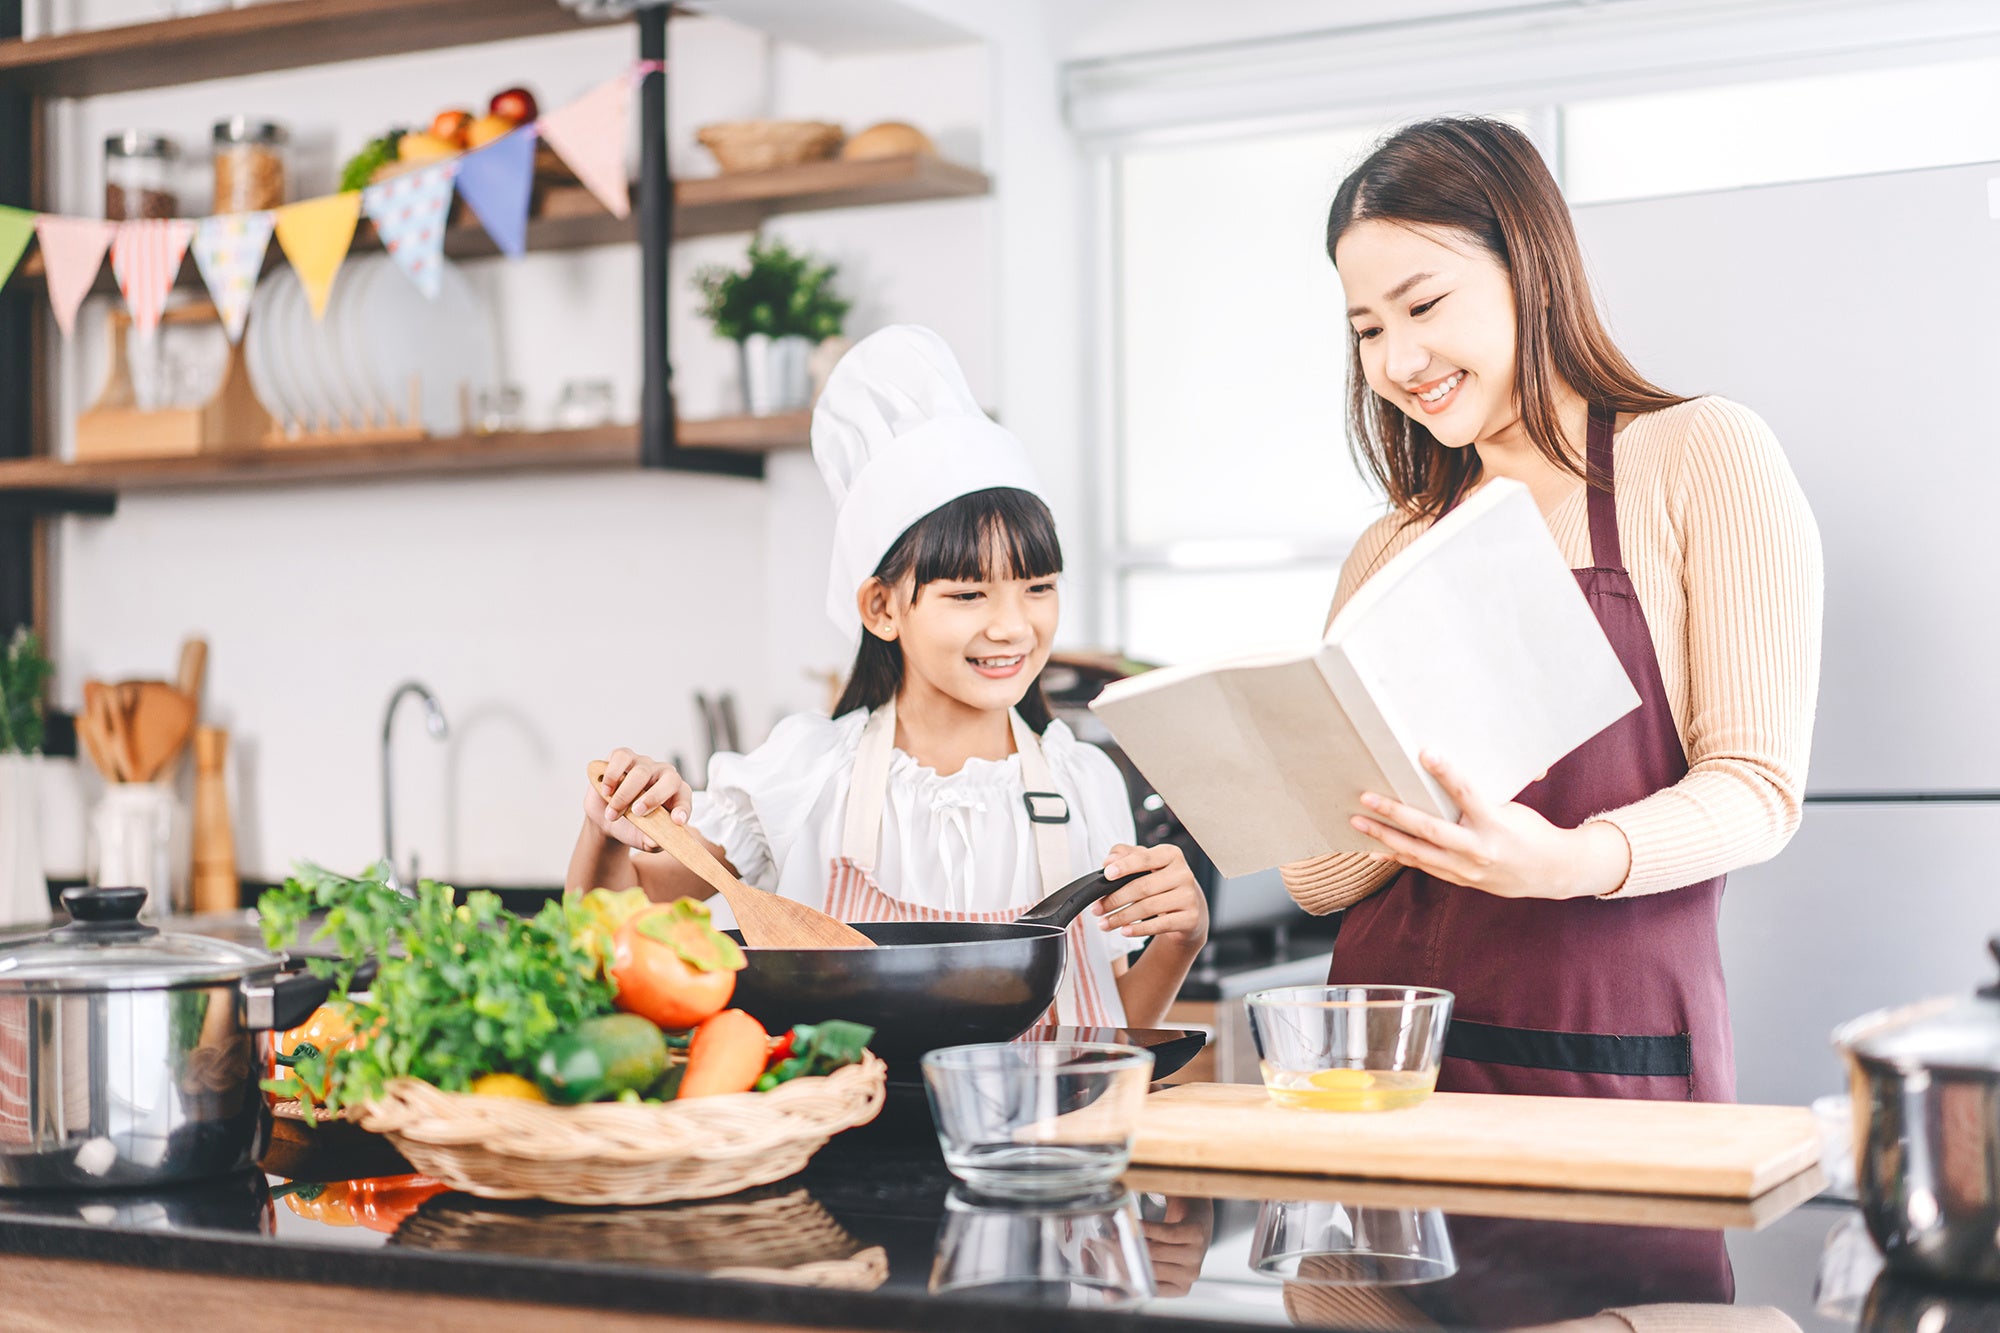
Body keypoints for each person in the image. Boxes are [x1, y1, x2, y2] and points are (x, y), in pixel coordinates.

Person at [1283, 117, 1823, 1101]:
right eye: (1366, 328)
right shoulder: (1389, 546)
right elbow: (1314, 881)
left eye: (1423, 304)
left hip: (1600, 1060)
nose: (1398, 359)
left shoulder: (1697, 456)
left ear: (1530, 267)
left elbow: (1756, 788)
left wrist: (1570, 859)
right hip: (1375, 1073)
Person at [567, 325, 1207, 1029]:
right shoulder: (808, 777)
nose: (1012, 625)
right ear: (881, 607)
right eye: (968, 594)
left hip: (1037, 1136)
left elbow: (1108, 1027)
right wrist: (611, 825)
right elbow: (617, 924)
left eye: (1038, 587)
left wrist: (1180, 940)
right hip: (846, 1135)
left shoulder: (1083, 783)